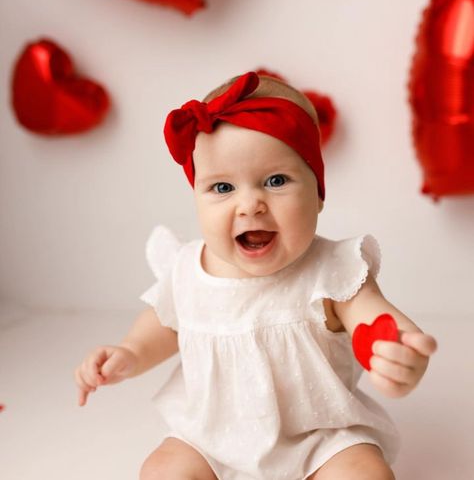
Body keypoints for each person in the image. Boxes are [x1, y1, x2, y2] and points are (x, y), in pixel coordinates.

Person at [75, 72, 437, 480]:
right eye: (223, 187)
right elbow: (164, 324)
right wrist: (129, 353)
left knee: (364, 475)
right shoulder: (188, 270)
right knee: (162, 472)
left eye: (276, 181)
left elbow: (371, 315)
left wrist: (395, 348)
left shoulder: (331, 269)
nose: (249, 204)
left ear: (318, 193)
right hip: (211, 438)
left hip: (320, 438)